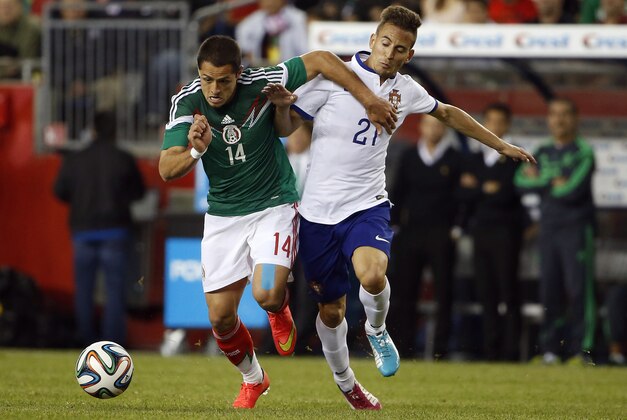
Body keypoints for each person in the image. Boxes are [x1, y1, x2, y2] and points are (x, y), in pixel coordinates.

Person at [263, 5, 534, 409]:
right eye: (386, 42)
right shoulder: (334, 78)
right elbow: (285, 128)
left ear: (410, 55)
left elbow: (447, 112)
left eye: (400, 48)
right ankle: (347, 383)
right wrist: (284, 106)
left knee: (372, 276)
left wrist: (499, 144)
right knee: (332, 312)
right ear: (373, 40)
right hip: (318, 212)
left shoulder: (406, 89)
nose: (390, 53)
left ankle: (376, 329)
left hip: (367, 203)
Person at [158, 35, 396, 409]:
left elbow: (320, 59)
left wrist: (368, 98)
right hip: (223, 214)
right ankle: (254, 379)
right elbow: (166, 169)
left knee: (266, 292)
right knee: (220, 319)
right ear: (198, 74)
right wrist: (195, 150)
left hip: (274, 203)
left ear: (240, 73)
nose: (214, 90)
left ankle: (276, 308)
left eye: (224, 80)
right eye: (207, 79)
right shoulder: (187, 101)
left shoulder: (262, 80)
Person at [53, 111, 146, 348]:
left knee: (84, 290)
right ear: (115, 131)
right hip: (115, 231)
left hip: (83, 231)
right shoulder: (123, 158)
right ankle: (112, 344)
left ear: (92, 130)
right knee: (115, 290)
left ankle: (85, 341)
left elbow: (59, 191)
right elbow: (139, 192)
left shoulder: (75, 158)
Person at [515, 98, 596, 366]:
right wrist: (552, 180)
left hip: (575, 229)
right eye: (554, 114)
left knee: (578, 291)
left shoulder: (583, 152)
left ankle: (581, 351)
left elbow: (570, 190)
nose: (558, 119)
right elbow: (520, 181)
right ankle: (550, 350)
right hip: (548, 230)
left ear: (575, 119)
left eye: (564, 114)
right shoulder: (543, 150)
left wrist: (541, 182)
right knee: (549, 290)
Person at [387, 115, 464, 361]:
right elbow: (398, 191)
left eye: (438, 125)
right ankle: (403, 345)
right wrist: (395, 224)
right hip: (411, 232)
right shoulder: (410, 156)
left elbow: (461, 197)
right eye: (429, 124)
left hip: (442, 233)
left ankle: (441, 348)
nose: (433, 129)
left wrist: (457, 228)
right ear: (421, 127)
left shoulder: (454, 158)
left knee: (444, 292)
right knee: (405, 291)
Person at [459, 103, 526, 361]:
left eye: (500, 122)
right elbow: (461, 194)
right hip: (481, 232)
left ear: (507, 125)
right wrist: (485, 189)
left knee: (508, 292)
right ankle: (490, 350)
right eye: (490, 121)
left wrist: (479, 189)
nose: (495, 127)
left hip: (507, 232)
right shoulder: (474, 158)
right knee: (485, 292)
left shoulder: (514, 156)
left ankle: (511, 352)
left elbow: (508, 193)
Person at [235, 0, 308, 66]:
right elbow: (244, 51)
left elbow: (305, 49)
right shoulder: (247, 24)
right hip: (260, 69)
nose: (270, 2)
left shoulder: (300, 19)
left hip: (292, 69)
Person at [0, 0, 41, 79]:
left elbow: (23, 62)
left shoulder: (31, 28)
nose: (5, 11)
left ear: (20, 6)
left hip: (26, 80)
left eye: (8, 7)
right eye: (1, 7)